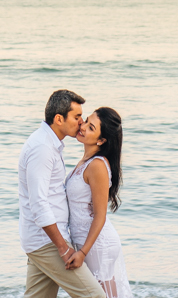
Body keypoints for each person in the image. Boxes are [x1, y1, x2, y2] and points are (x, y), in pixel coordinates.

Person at [19, 90, 106, 298]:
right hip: (48, 242)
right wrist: (63, 248)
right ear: (59, 119)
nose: (81, 124)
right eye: (77, 118)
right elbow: (38, 204)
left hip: (42, 240)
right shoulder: (43, 149)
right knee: (95, 296)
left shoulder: (49, 144)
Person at [66, 108, 131, 298]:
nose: (83, 126)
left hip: (97, 245)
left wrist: (83, 252)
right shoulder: (86, 161)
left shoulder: (97, 166)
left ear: (101, 140)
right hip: (86, 242)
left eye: (91, 127)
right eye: (86, 120)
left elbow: (100, 216)